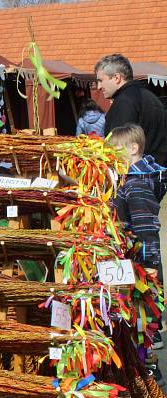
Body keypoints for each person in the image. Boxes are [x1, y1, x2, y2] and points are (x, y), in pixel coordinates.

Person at [108, 125, 166, 380]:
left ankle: (151, 373)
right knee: (136, 322)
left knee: (141, 323)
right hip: (134, 261)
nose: (113, 158)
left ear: (133, 149)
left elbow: (146, 229)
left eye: (116, 152)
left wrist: (151, 265)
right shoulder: (130, 180)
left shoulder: (137, 185)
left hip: (141, 266)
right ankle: (146, 370)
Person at [96, 53, 167, 165]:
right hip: (156, 172)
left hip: (138, 175)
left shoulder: (124, 102)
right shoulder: (149, 96)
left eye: (100, 80)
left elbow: (118, 149)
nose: (98, 87)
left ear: (116, 78)